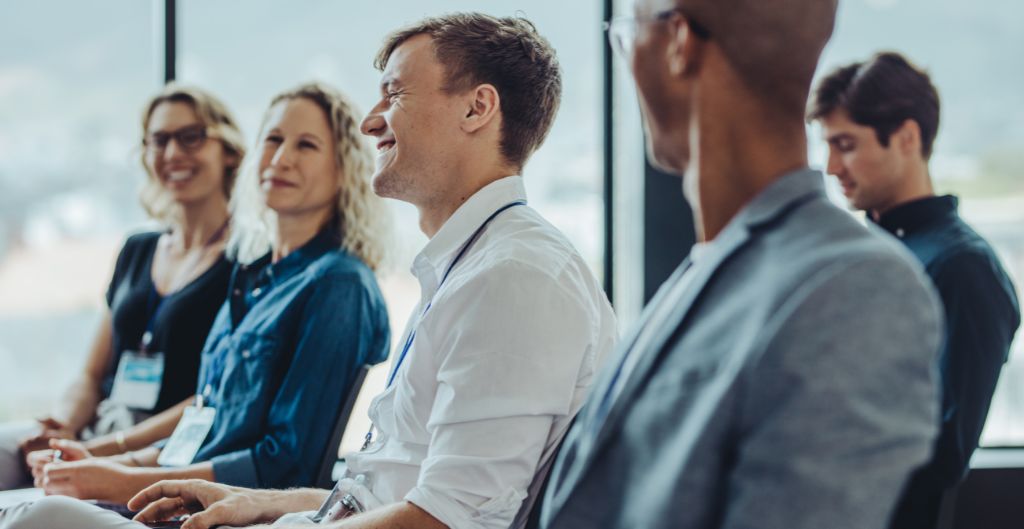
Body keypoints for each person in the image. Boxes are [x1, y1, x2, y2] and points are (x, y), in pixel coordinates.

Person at [0, 12, 617, 529]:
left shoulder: (512, 278)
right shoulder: (467, 271)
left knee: (37, 519)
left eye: (395, 94)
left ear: (478, 109)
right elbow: (381, 495)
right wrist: (251, 506)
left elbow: (444, 520)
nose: (372, 120)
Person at [537, 1, 949, 528]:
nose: (625, 61)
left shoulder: (853, 290)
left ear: (679, 42)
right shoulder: (712, 265)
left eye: (626, 35)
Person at [12, 82, 392, 504]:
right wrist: (113, 464)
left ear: (342, 170)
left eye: (306, 146)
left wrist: (118, 480)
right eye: (274, 139)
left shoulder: (338, 285)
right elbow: (206, 420)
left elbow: (286, 464)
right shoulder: (256, 279)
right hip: (173, 492)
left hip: (225, 510)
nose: (282, 158)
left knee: (26, 515)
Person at [809, 51, 1022, 529]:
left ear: (906, 138)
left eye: (845, 144)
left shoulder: (966, 268)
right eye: (827, 145)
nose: (829, 166)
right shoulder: (858, 253)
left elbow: (945, 451)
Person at [0, 84, 244, 490]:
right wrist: (62, 425)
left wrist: (106, 451)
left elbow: (216, 395)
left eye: (191, 137)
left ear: (229, 150)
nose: (173, 153)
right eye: (159, 140)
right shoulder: (137, 249)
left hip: (160, 446)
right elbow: (92, 373)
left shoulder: (246, 263)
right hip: (100, 428)